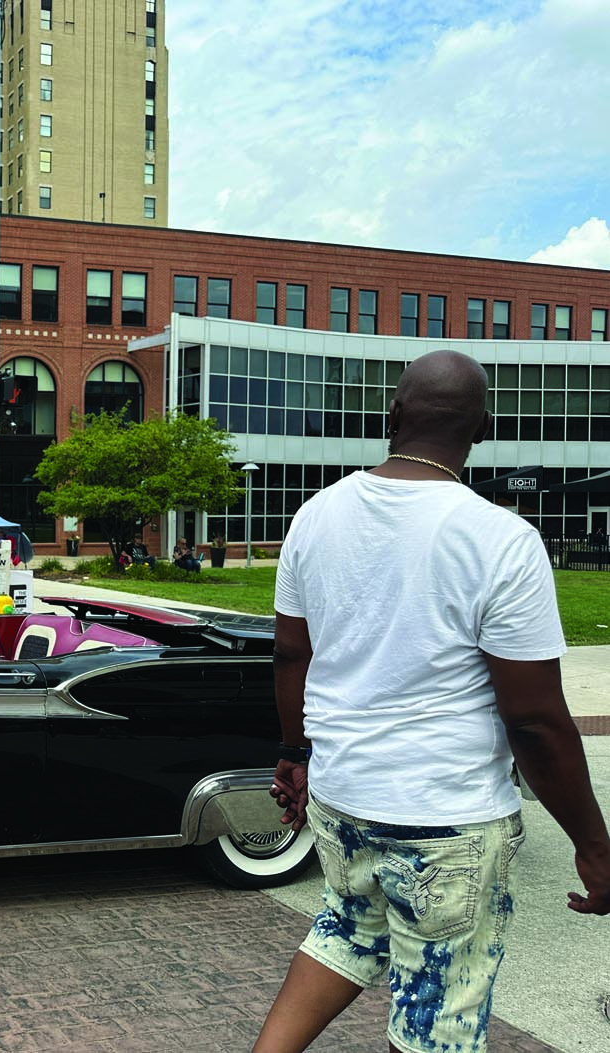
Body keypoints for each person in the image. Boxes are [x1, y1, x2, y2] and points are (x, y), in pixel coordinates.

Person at [254, 350, 610, 1053]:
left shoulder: (315, 515)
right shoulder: (502, 540)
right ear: (485, 428)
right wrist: (594, 844)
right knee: (436, 1016)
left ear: (392, 414)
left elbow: (292, 654)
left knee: (348, 932)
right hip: (445, 817)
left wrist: (294, 753)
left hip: (342, 795)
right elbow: (534, 720)